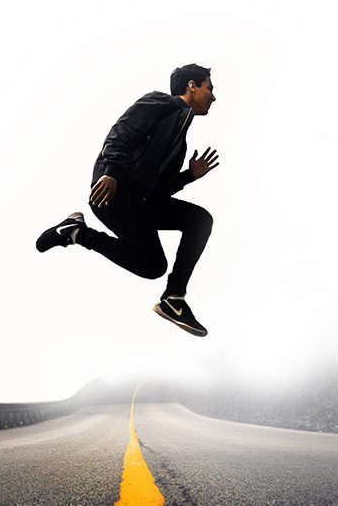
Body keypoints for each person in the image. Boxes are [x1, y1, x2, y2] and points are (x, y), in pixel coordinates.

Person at [36, 64, 220, 336]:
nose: (213, 97)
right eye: (209, 88)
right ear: (192, 85)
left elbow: (159, 190)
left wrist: (189, 176)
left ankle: (173, 299)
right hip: (114, 192)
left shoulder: (179, 136)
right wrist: (110, 173)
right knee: (155, 262)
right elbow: (122, 132)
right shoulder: (161, 102)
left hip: (141, 202)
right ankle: (76, 233)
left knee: (188, 231)